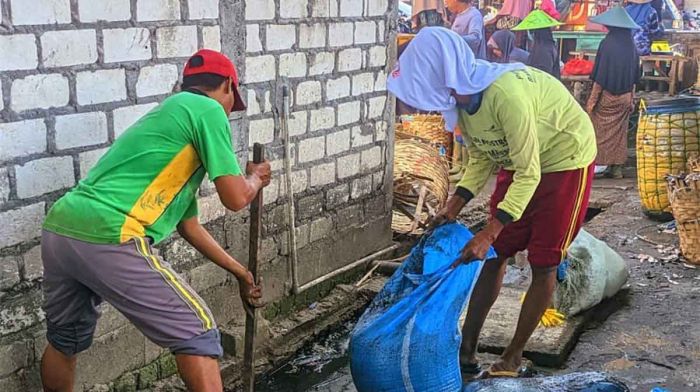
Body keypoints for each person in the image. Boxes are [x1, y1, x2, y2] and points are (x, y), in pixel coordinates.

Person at [40, 49, 271, 392]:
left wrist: (240, 272)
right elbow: (236, 198)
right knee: (198, 330)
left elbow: (188, 226)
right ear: (227, 85)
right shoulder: (207, 109)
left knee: (65, 340)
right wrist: (254, 178)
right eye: (230, 103)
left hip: (61, 229)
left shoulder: (168, 125)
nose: (228, 112)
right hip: (110, 231)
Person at [388, 28, 596, 378]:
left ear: (443, 73)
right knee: (495, 256)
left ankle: (512, 357)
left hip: (564, 161)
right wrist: (453, 206)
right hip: (521, 161)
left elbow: (528, 173)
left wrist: (489, 230)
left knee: (543, 262)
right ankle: (467, 350)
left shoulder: (505, 95)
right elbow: (482, 158)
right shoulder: (464, 106)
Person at [586, 6, 641, 179]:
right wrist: (631, 99)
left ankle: (597, 166)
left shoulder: (607, 44)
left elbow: (600, 76)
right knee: (619, 135)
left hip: (607, 97)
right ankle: (616, 169)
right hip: (625, 97)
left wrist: (592, 101)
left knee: (599, 132)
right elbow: (635, 77)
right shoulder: (632, 46)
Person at [512, 9, 563, 79]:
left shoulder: (543, 50)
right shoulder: (547, 45)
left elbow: (543, 73)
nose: (530, 34)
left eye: (532, 31)